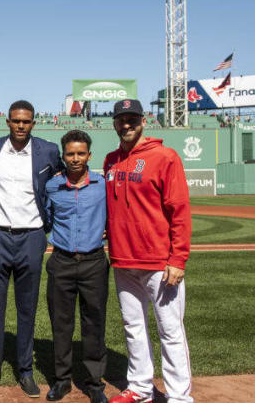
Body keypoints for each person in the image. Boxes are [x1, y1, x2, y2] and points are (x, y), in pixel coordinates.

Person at [104, 99, 193, 403]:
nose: (125, 124)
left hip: (159, 262)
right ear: (114, 123)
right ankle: (140, 387)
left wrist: (178, 258)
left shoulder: (165, 157)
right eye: (120, 119)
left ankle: (180, 397)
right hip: (122, 260)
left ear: (144, 120)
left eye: (131, 119)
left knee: (170, 330)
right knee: (133, 326)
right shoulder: (111, 160)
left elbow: (179, 210)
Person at [0, 100, 63, 399]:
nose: (21, 126)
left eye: (26, 121)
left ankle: (25, 371)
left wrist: (48, 225)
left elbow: (63, 182)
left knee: (27, 308)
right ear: (8, 121)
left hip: (31, 237)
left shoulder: (48, 151)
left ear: (33, 123)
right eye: (16, 121)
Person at [44, 130, 108, 403]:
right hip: (61, 261)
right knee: (62, 324)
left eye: (81, 153)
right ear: (63, 155)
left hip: (94, 262)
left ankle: (94, 383)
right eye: (70, 153)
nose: (75, 158)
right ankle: (62, 381)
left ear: (89, 155)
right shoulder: (52, 186)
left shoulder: (102, 184)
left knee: (94, 323)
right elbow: (46, 218)